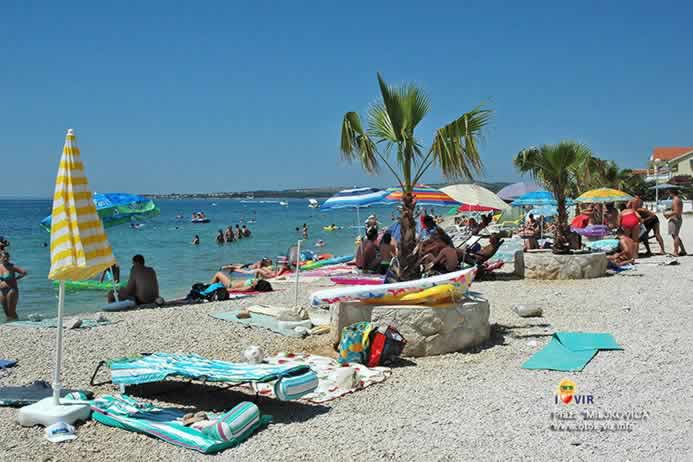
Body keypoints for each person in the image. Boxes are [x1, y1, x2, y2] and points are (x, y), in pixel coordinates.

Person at [0, 251, 27, 320]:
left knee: (11, 311)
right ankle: (10, 323)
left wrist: (15, 279)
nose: (6, 259)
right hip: (2, 291)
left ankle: (17, 323)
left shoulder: (12, 266)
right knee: (6, 311)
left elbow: (24, 272)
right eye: (4, 257)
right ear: (0, 258)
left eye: (7, 257)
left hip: (11, 290)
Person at [664, 189, 687, 256]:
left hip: (675, 219)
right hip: (677, 218)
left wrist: (668, 214)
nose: (669, 194)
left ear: (672, 193)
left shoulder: (675, 200)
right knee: (675, 235)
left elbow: (676, 211)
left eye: (669, 193)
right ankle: (682, 250)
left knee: (675, 236)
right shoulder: (678, 199)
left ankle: (676, 252)